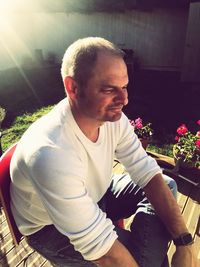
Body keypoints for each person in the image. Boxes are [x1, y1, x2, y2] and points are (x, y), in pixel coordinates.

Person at [10, 37, 197, 267]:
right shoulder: (50, 153)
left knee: (165, 185)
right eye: (109, 89)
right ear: (73, 87)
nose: (124, 99)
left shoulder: (110, 119)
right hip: (51, 229)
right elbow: (105, 253)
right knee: (144, 260)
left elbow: (146, 171)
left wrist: (185, 244)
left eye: (125, 86)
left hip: (97, 193)